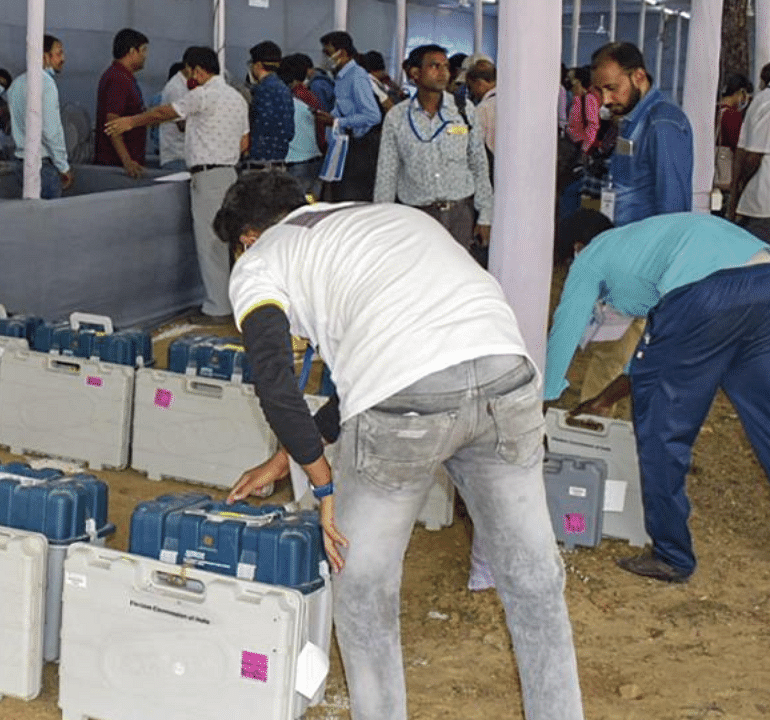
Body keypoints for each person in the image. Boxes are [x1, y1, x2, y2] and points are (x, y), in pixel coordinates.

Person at [217, 171, 584, 720]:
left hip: (405, 406)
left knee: (363, 588)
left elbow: (274, 379)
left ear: (248, 236)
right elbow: (385, 359)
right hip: (506, 376)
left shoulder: (262, 260)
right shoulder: (384, 218)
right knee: (532, 578)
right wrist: (288, 456)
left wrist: (323, 485)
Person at [547, 210, 770, 584]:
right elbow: (659, 345)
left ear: (576, 246)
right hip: (763, 282)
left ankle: (672, 555)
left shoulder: (591, 256)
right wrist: (604, 399)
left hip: (705, 295)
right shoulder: (644, 243)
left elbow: (566, 327)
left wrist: (541, 399)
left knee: (661, 430)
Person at [106, 45, 248, 325]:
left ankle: (217, 308)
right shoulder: (237, 98)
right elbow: (245, 142)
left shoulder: (203, 95)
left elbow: (164, 113)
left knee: (210, 241)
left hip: (208, 177)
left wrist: (131, 122)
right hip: (230, 174)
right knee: (227, 241)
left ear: (196, 70)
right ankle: (232, 301)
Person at [375, 44, 493, 256]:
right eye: (435, 66)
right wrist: (382, 221)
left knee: (458, 276)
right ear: (415, 74)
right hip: (417, 215)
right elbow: (387, 173)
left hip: (459, 215)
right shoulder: (397, 117)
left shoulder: (464, 111)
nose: (443, 72)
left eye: (446, 66)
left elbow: (478, 163)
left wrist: (485, 215)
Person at [589, 41, 693, 225]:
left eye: (612, 88)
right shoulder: (631, 119)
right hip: (623, 237)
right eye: (600, 91)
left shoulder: (662, 123)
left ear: (638, 76)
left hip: (645, 244)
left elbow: (673, 205)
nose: (605, 100)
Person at [319, 31, 383, 202]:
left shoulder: (356, 75)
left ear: (343, 53)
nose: (325, 57)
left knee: (351, 198)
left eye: (328, 52)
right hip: (345, 144)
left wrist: (337, 121)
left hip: (361, 148)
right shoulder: (340, 77)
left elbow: (373, 115)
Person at [7, 34, 72, 199]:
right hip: (43, 165)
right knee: (48, 221)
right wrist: (63, 166)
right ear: (44, 56)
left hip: (20, 162)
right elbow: (51, 131)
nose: (63, 58)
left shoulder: (16, 84)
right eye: (59, 53)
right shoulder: (47, 84)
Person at [94, 28, 149, 178]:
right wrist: (127, 161)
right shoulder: (118, 79)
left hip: (126, 165)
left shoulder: (124, 77)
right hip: (118, 168)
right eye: (143, 51)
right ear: (132, 51)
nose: (145, 56)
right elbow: (113, 121)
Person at [730, 64, 770, 243]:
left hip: (761, 202)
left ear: (762, 81)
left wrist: (738, 187)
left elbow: (748, 153)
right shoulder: (765, 102)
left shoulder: (761, 102)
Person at [242, 41, 294, 171]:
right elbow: (289, 131)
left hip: (259, 164)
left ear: (258, 65)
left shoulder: (261, 90)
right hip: (279, 161)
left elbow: (256, 126)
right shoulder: (284, 89)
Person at [278, 53, 324, 195]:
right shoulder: (310, 96)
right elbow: (320, 128)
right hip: (314, 157)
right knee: (312, 205)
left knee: (294, 205)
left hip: (296, 161)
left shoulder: (287, 99)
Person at [156, 61, 189, 171]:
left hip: (182, 156)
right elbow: (182, 125)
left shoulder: (184, 86)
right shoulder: (177, 89)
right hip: (177, 157)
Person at [565, 66, 601, 154]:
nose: (568, 82)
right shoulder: (575, 99)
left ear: (579, 81)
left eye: (571, 79)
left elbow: (593, 125)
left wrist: (585, 148)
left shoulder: (588, 98)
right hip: (572, 142)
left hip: (580, 145)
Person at [465, 59, 498, 158]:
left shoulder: (484, 108)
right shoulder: (509, 101)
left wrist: (450, 129)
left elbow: (471, 133)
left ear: (479, 83)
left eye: (470, 87)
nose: (471, 93)